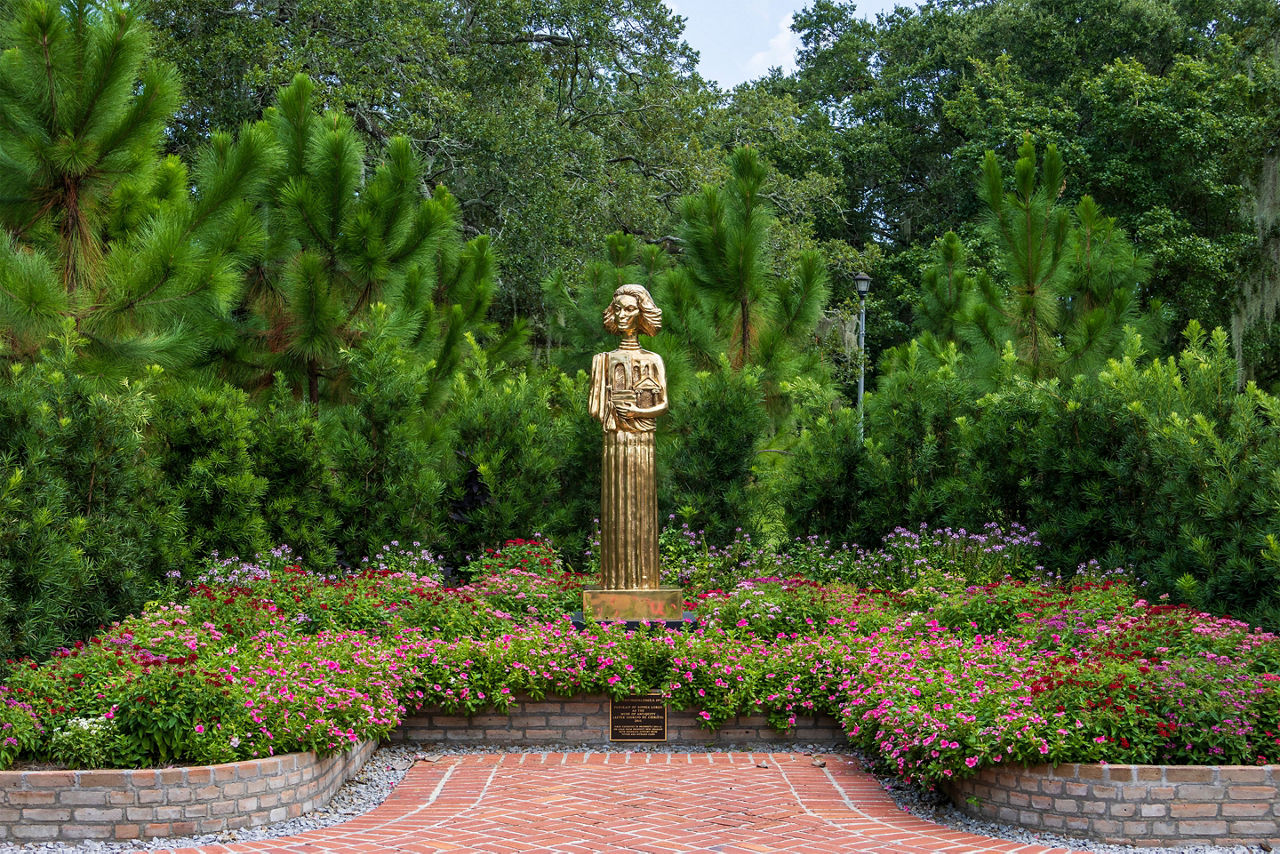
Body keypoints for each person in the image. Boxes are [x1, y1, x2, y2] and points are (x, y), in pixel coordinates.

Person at [588, 284, 668, 590]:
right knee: (617, 511)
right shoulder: (604, 361)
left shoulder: (653, 360)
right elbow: (596, 408)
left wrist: (637, 412)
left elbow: (663, 404)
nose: (623, 315)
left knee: (643, 511)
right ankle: (616, 584)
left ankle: (645, 583)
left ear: (642, 314)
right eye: (618, 309)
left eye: (630, 309)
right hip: (615, 443)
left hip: (643, 444)